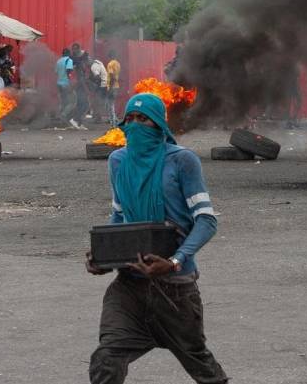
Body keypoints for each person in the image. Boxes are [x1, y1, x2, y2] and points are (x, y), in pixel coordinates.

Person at [85, 93, 228, 384]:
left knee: (204, 370)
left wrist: (175, 261)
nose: (135, 125)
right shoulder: (117, 161)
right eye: (131, 119)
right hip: (130, 287)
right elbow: (119, 217)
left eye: (144, 119)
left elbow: (206, 221)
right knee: (106, 361)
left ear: (159, 124)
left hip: (175, 292)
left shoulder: (182, 161)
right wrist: (103, 257)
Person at [70, 43, 90, 130]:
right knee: (84, 104)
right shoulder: (78, 63)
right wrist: (86, 88)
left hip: (79, 85)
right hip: (79, 86)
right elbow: (80, 77)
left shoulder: (77, 60)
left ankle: (79, 123)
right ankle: (75, 120)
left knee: (81, 104)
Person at [55, 48, 75, 123]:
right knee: (72, 101)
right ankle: (63, 115)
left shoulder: (58, 61)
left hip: (59, 84)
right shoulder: (69, 60)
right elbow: (68, 71)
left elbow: (56, 72)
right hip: (66, 84)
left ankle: (59, 116)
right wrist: (70, 83)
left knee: (63, 101)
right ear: (69, 54)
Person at [89, 57, 108, 122]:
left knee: (97, 101)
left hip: (102, 85)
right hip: (105, 84)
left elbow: (97, 77)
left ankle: (98, 118)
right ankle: (100, 117)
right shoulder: (98, 62)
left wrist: (96, 86)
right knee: (101, 102)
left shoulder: (93, 67)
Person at [106, 50, 121, 127]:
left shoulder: (110, 64)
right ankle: (116, 121)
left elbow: (111, 76)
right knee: (111, 104)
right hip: (116, 86)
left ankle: (113, 125)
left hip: (112, 86)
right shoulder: (118, 63)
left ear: (110, 56)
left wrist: (110, 88)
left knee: (110, 106)